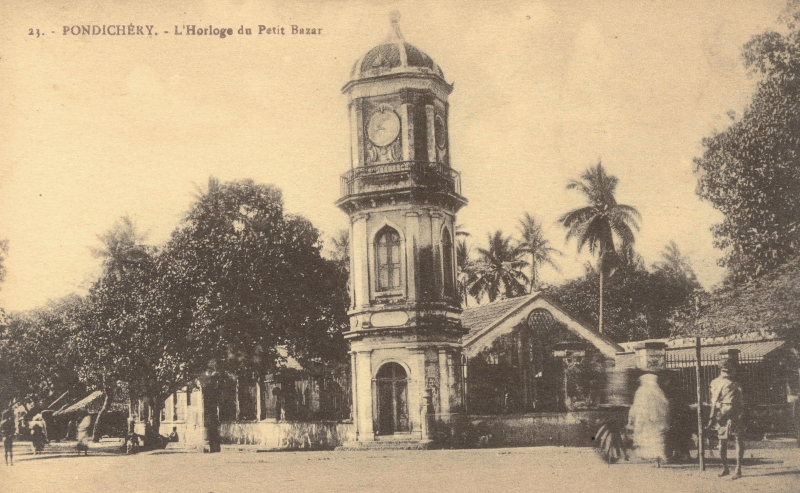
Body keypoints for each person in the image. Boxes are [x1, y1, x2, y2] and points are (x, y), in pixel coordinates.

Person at [708, 350, 744, 479]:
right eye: (724, 367)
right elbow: (713, 400)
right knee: (722, 442)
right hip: (721, 415)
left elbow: (741, 400)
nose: (726, 369)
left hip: (735, 413)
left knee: (737, 440)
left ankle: (738, 470)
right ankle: (725, 468)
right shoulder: (715, 382)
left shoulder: (736, 383)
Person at [627, 372, 670, 466]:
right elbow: (665, 406)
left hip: (646, 421)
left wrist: (632, 418)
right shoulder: (658, 392)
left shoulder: (641, 391)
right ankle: (658, 459)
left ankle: (655, 460)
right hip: (657, 421)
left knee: (648, 440)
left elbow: (636, 407)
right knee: (658, 439)